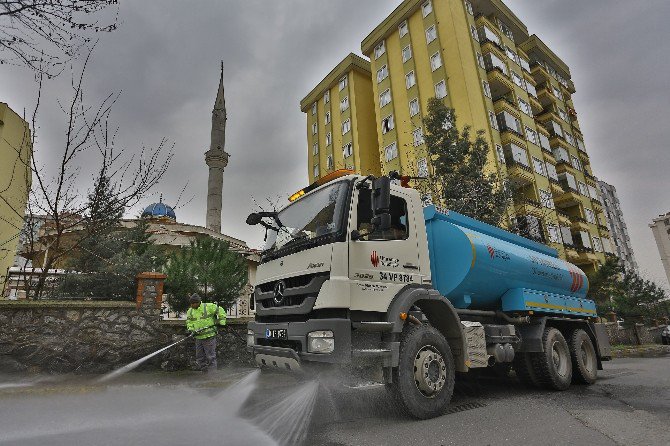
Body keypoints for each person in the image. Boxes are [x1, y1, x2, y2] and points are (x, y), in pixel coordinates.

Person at [185, 293, 226, 372]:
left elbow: (220, 310)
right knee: (200, 358)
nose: (192, 305)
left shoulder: (208, 306)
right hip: (198, 337)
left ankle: (212, 376)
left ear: (198, 302)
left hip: (209, 337)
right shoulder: (190, 311)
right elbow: (189, 321)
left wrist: (222, 321)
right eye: (191, 304)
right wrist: (190, 329)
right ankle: (204, 373)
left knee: (211, 357)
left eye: (193, 303)